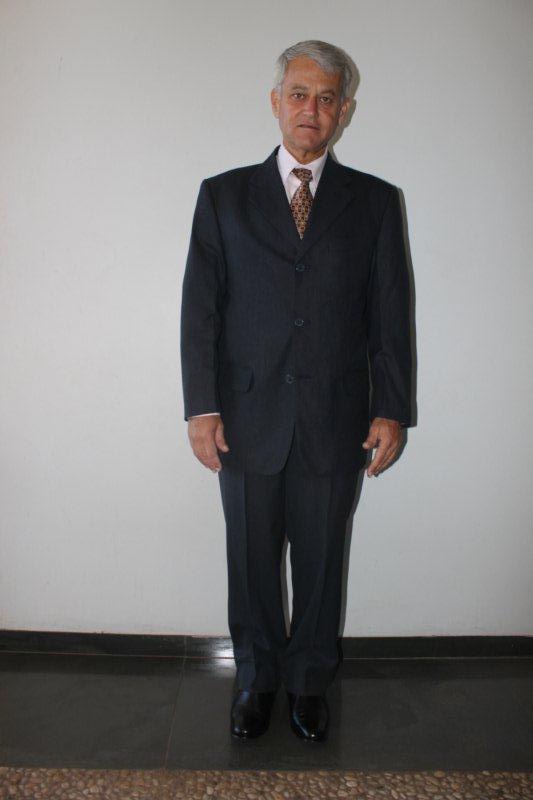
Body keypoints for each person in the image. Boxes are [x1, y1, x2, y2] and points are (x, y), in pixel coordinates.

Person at [180, 40, 412, 742]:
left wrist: (391, 408)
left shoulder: (375, 202)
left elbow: (389, 313)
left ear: (344, 111)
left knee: (321, 560)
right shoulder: (223, 196)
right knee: (251, 560)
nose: (312, 109)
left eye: (327, 98)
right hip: (245, 416)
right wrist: (201, 407)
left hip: (335, 417)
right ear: (277, 102)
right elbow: (200, 311)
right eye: (300, 94)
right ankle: (255, 679)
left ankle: (309, 681)